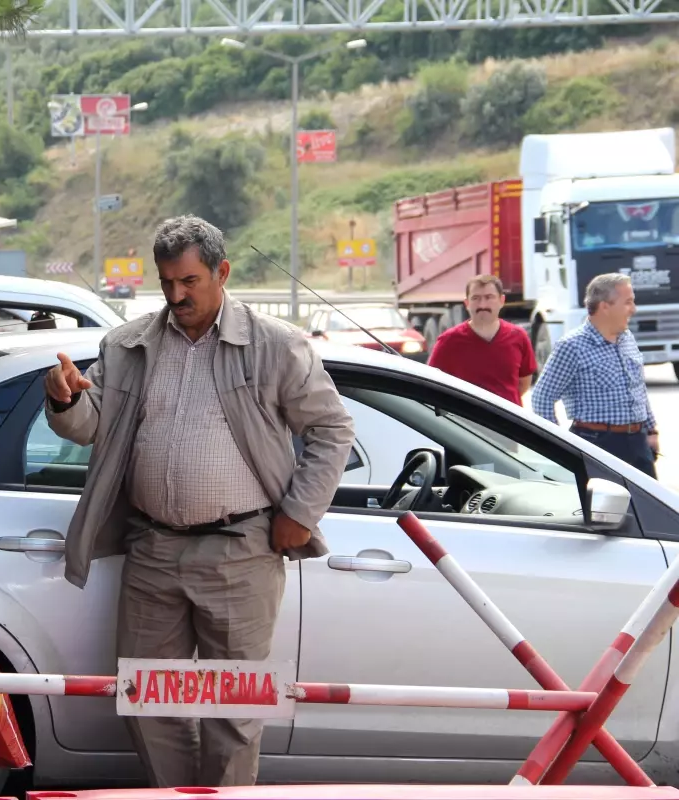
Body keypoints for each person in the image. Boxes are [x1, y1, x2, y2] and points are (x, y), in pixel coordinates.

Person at [44, 215, 355, 788]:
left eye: (188, 281)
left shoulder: (275, 345)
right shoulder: (129, 343)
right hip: (153, 549)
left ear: (222, 272)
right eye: (166, 283)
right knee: (147, 700)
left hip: (242, 551)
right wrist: (63, 400)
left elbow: (333, 430)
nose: (176, 295)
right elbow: (90, 426)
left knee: (234, 712)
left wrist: (298, 513)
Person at [532, 273, 660, 478]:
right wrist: (558, 445)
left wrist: (651, 430)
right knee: (603, 510)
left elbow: (638, 388)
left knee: (652, 509)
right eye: (628, 302)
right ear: (605, 306)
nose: (633, 309)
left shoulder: (627, 338)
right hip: (596, 444)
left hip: (638, 444)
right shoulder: (572, 346)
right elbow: (542, 397)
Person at [428, 276, 536, 405]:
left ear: (501, 301)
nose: (482, 305)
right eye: (476, 298)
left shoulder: (519, 337)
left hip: (508, 421)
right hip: (465, 422)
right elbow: (432, 382)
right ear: (467, 303)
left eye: (489, 297)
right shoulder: (448, 341)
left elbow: (523, 383)